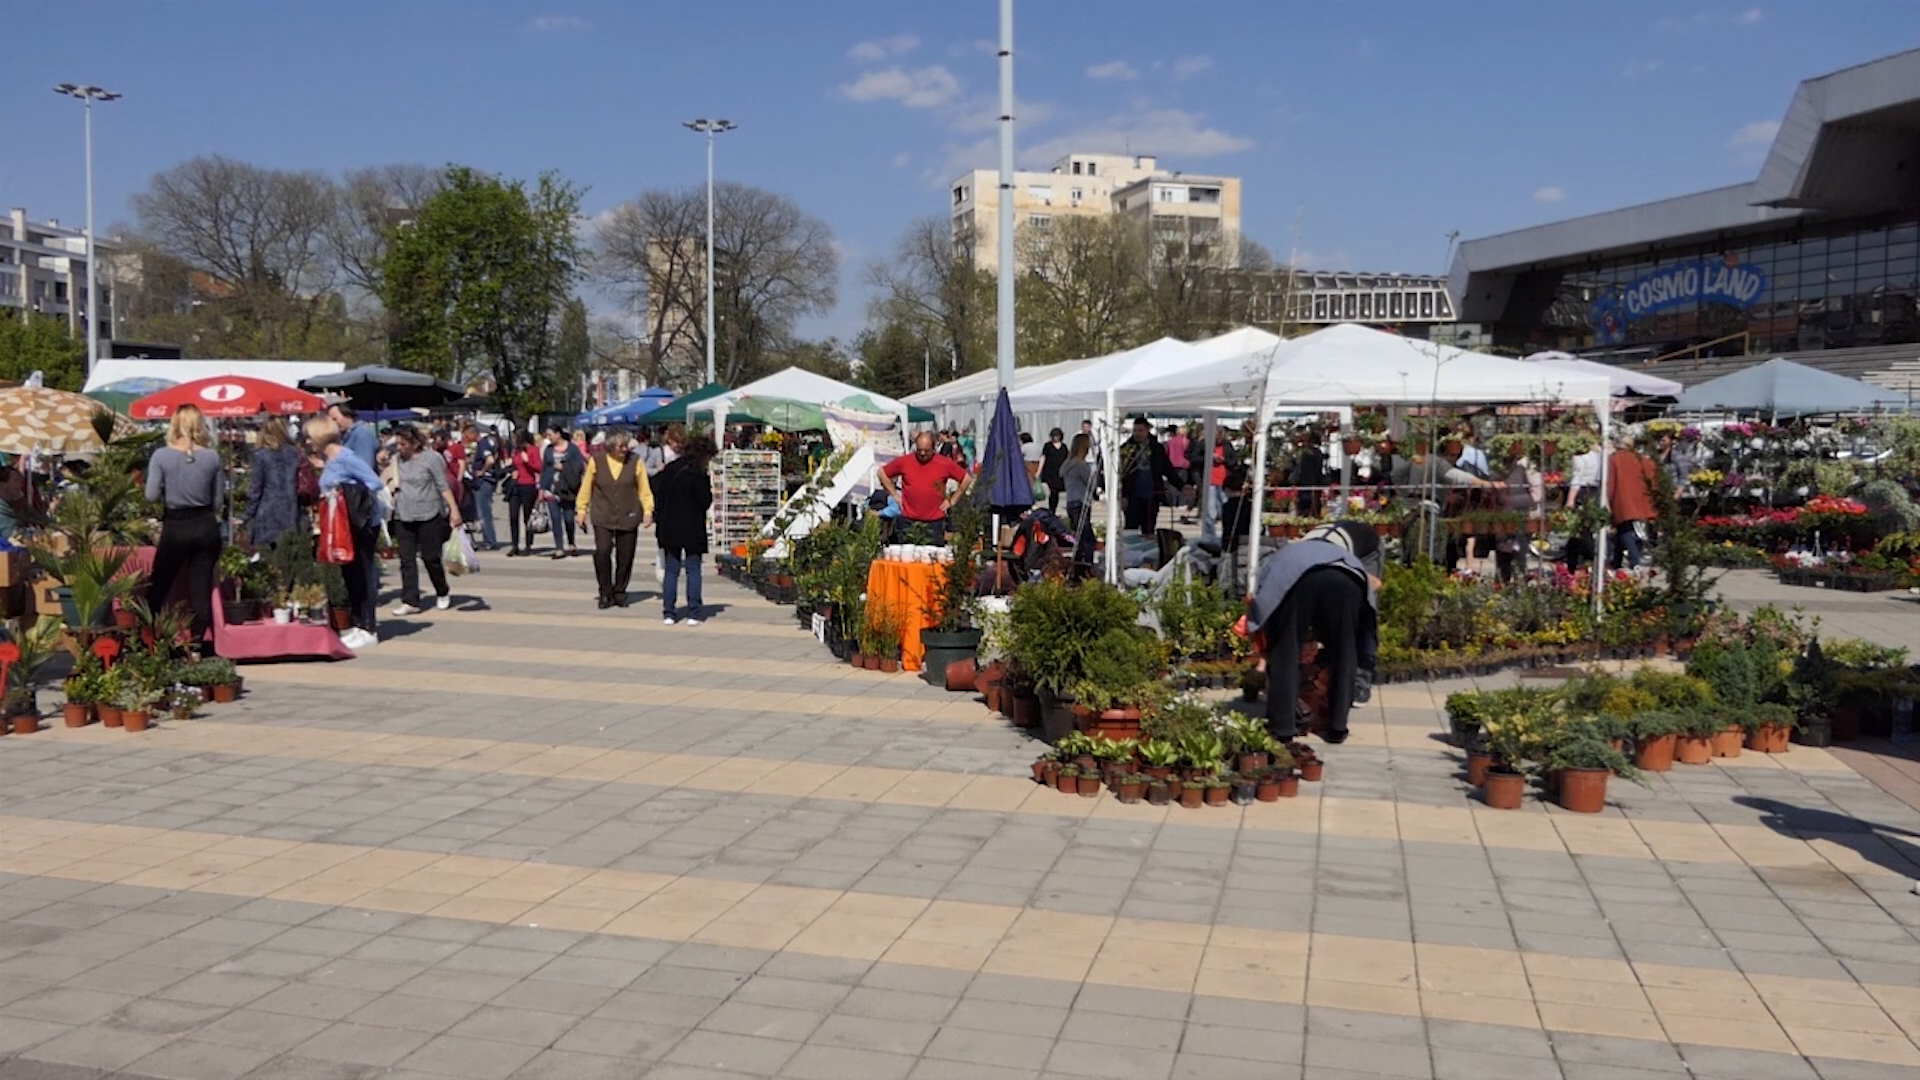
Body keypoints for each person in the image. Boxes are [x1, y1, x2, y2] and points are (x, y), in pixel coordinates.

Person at [1250, 521, 1382, 745]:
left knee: (1286, 648)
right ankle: (1337, 726)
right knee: (1344, 648)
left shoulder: (1283, 556)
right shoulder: (1341, 549)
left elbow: (1266, 609)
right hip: (1347, 577)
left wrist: (1269, 650)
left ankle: (1282, 727)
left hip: (1298, 578)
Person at [145, 405, 226, 649]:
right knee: (199, 589)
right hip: (205, 525)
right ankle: (199, 642)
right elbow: (219, 501)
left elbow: (150, 495)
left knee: (159, 585)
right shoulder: (212, 457)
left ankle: (150, 637)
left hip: (176, 525)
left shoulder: (161, 456)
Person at [308, 417, 386, 649]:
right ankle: (357, 622)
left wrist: (344, 492)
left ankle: (368, 626)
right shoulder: (332, 459)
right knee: (351, 574)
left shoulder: (345, 457)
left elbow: (373, 482)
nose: (308, 441)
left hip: (358, 522)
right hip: (343, 525)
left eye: (310, 437)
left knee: (363, 572)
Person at [575, 431, 655, 609]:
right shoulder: (597, 461)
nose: (625, 449)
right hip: (603, 513)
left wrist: (648, 510)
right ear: (610, 446)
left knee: (625, 556)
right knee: (602, 552)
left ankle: (620, 591)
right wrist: (581, 510)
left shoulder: (635, 461)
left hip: (628, 513)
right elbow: (586, 486)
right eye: (621, 446)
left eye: (626, 445)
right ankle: (605, 591)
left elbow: (644, 488)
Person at [389, 426, 463, 616]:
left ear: (414, 443)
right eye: (397, 443)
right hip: (402, 514)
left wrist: (453, 510)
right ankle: (410, 600)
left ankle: (442, 590)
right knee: (406, 560)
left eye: (403, 444)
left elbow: (442, 485)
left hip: (428, 513)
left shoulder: (431, 459)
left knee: (430, 557)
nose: (399, 448)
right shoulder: (397, 460)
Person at [654, 434, 715, 625]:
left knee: (671, 570)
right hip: (692, 526)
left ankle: (669, 612)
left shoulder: (670, 470)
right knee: (693, 569)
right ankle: (694, 612)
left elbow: (658, 495)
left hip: (669, 526)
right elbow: (705, 501)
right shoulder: (699, 475)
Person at [879, 431, 971, 543]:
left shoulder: (944, 463)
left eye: (926, 451)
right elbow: (882, 473)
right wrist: (894, 495)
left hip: (934, 522)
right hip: (908, 520)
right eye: (919, 450)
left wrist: (952, 501)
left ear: (934, 448)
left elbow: (966, 479)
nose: (922, 454)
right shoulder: (905, 461)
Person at [243, 419, 301, 550]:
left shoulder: (261, 456)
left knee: (268, 560)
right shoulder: (295, 453)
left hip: (268, 512)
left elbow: (255, 489)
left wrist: (247, 515)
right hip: (292, 510)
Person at [1118, 417, 1179, 537]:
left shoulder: (1157, 448)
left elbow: (1167, 469)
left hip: (1152, 496)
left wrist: (1181, 486)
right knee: (1131, 528)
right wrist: (1123, 495)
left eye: (1140, 430)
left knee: (1149, 529)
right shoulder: (1126, 449)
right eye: (1135, 430)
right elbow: (1121, 475)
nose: (1137, 434)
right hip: (1132, 496)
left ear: (1147, 431)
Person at [1606, 432, 1658, 569]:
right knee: (1630, 529)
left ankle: (1635, 561)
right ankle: (1616, 561)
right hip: (1642, 497)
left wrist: (1608, 502)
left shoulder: (1614, 459)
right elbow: (1653, 479)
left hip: (1622, 498)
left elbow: (1610, 483)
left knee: (1625, 530)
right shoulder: (1643, 459)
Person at [541, 426, 585, 558]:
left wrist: (564, 467)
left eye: (550, 435)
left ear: (558, 434)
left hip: (568, 488)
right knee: (555, 519)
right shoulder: (548, 450)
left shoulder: (572, 449)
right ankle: (559, 547)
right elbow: (544, 468)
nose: (549, 438)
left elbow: (579, 466)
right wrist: (542, 488)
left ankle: (571, 542)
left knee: (569, 518)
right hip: (551, 488)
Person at [462, 423, 501, 551]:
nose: (466, 437)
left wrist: (482, 471)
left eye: (467, 434)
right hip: (485, 481)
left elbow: (490, 460)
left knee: (483, 512)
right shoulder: (483, 444)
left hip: (484, 481)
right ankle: (488, 539)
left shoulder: (483, 443)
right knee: (484, 512)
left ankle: (490, 541)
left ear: (473, 433)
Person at [507, 431, 543, 556]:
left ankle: (528, 544)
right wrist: (511, 470)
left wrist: (528, 462)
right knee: (513, 516)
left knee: (527, 516)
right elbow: (513, 464)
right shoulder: (516, 451)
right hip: (515, 484)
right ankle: (514, 544)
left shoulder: (533, 450)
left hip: (528, 485)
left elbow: (539, 467)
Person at [327, 402, 378, 470]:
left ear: (347, 415)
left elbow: (364, 467)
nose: (333, 423)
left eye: (335, 419)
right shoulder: (345, 436)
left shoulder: (362, 434)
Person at [1061, 433, 1095, 533]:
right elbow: (1090, 482)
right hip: (1081, 500)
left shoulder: (1067, 464)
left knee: (1076, 531)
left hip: (1071, 500)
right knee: (1085, 534)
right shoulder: (1080, 464)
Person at [1039, 428, 1069, 514]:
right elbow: (1043, 458)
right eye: (1054, 436)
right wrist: (1039, 470)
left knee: (1059, 491)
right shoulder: (1047, 446)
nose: (1056, 437)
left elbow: (1067, 459)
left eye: (1057, 436)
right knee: (1053, 491)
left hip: (1061, 472)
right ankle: (1052, 510)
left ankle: (1055, 509)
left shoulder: (1064, 446)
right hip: (1050, 471)